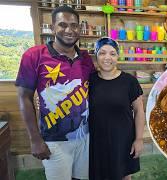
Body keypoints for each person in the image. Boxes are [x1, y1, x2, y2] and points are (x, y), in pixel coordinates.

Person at [15, 6, 94, 180]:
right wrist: (35, 139)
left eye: (74, 25)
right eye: (62, 25)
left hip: (85, 137)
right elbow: (24, 97)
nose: (69, 30)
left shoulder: (86, 59)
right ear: (52, 28)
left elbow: (93, 91)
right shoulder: (34, 55)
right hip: (53, 141)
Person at [89, 37, 145, 180]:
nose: (107, 57)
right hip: (97, 140)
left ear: (117, 56)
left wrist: (138, 139)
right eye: (102, 53)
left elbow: (139, 111)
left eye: (112, 53)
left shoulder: (129, 81)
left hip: (123, 140)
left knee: (123, 176)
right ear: (96, 55)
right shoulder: (90, 81)